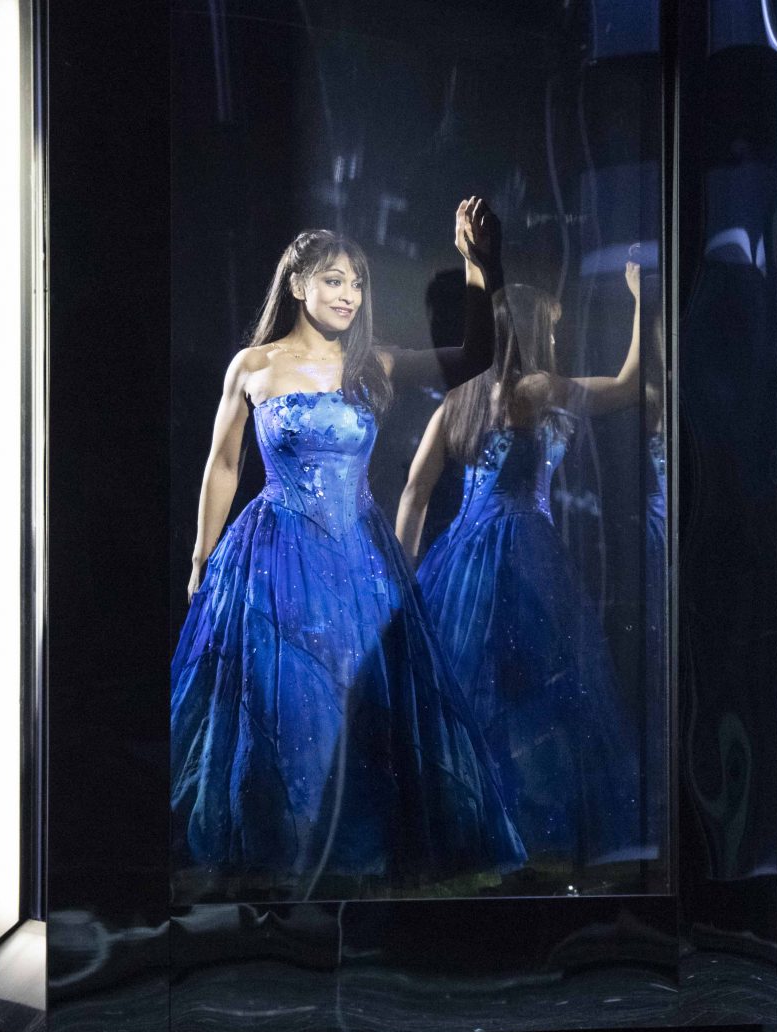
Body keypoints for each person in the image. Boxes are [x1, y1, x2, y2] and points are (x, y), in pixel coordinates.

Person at [170, 198, 527, 902]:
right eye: (334, 280)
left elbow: (475, 359)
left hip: (360, 560)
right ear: (297, 284)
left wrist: (476, 267)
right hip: (273, 560)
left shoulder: (373, 363)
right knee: (284, 706)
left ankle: (357, 864)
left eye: (357, 284)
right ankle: (280, 863)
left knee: (365, 706)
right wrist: (201, 555)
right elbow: (223, 464)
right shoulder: (254, 365)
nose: (349, 295)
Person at [395, 263, 653, 886]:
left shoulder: (458, 400)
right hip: (526, 556)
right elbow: (626, 387)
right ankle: (524, 838)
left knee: (468, 694)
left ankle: (476, 832)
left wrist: (405, 573)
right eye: (552, 330)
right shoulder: (541, 388)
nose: (557, 340)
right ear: (534, 332)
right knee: (535, 698)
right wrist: (643, 303)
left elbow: (414, 492)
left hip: (460, 560)